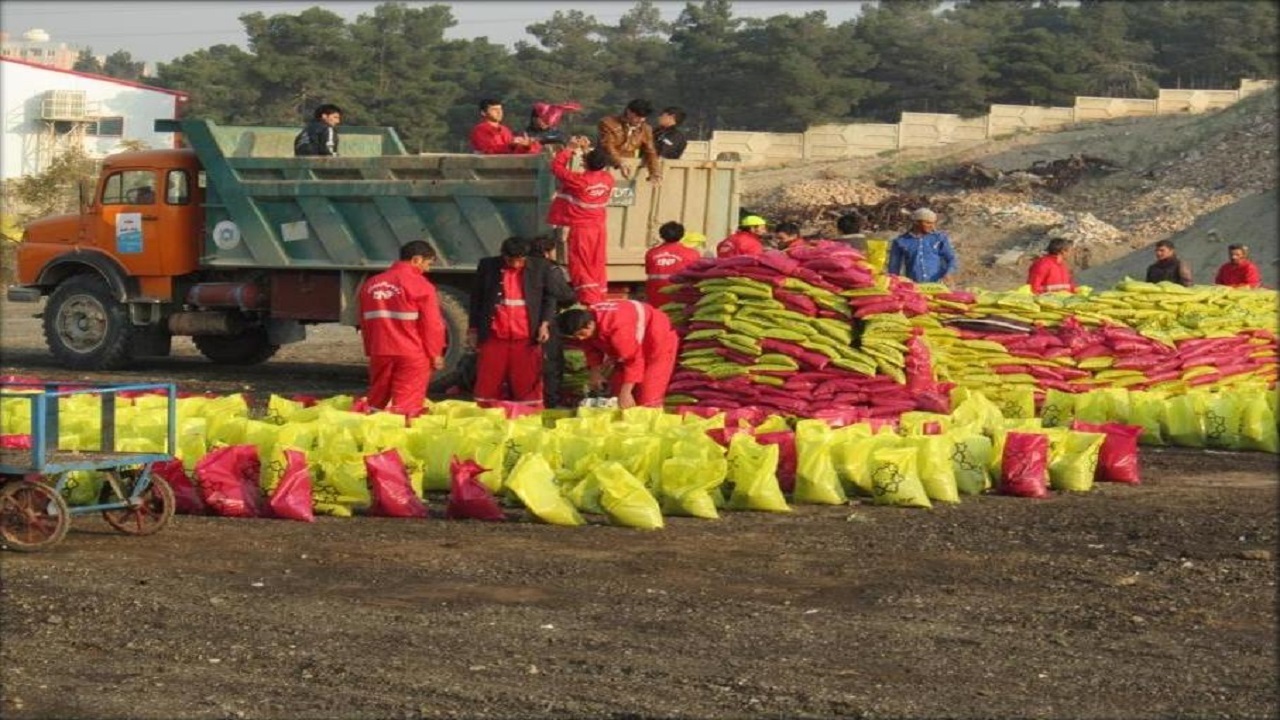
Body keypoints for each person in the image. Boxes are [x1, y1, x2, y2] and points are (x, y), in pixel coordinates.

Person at [466, 236, 562, 411]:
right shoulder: (488, 266)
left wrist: (545, 323)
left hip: (526, 336)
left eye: (520, 260)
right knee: (488, 379)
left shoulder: (541, 267)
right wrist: (473, 329)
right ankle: (484, 415)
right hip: (495, 336)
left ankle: (528, 418)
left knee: (526, 380)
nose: (516, 265)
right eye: (511, 260)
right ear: (503, 256)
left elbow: (550, 297)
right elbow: (476, 299)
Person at [357, 240, 445, 416]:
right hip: (411, 352)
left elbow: (365, 322)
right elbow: (432, 324)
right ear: (416, 259)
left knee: (376, 400)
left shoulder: (371, 284)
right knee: (407, 405)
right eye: (428, 263)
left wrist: (371, 349)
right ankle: (400, 437)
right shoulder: (421, 285)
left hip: (380, 351)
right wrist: (435, 353)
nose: (428, 269)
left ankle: (373, 435)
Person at [558, 300, 678, 409]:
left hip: (657, 343)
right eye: (575, 336)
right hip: (629, 347)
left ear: (590, 324)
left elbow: (633, 359)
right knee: (616, 396)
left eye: (581, 334)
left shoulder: (617, 328)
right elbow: (591, 349)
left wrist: (626, 392)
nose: (580, 338)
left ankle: (652, 426)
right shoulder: (584, 321)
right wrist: (595, 373)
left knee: (647, 397)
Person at [548, 136, 616, 305]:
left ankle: (589, 300)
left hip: (582, 230)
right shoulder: (607, 179)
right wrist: (587, 151)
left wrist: (569, 149)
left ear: (585, 163)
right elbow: (596, 164)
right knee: (597, 264)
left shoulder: (580, 181)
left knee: (580, 264)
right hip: (599, 229)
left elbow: (556, 167)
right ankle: (599, 298)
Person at [531, 235, 578, 408]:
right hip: (546, 321)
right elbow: (563, 295)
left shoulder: (523, 267)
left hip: (522, 322)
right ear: (548, 252)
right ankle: (550, 401)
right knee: (551, 362)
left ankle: (527, 398)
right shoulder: (550, 269)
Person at [597, 98, 662, 183]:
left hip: (629, 167)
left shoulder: (646, 129)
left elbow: (650, 151)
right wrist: (620, 162)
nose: (641, 120)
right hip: (604, 165)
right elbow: (608, 145)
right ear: (629, 112)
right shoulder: (608, 123)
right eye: (638, 116)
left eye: (644, 117)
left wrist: (655, 172)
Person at [887, 208, 957, 283]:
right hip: (915, 287)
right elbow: (893, 269)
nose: (932, 226)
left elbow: (951, 259)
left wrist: (949, 273)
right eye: (928, 223)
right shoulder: (900, 241)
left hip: (938, 285)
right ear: (916, 222)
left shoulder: (939, 238)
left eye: (933, 223)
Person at [644, 221, 702, 305]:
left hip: (655, 295)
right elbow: (697, 276)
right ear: (682, 235)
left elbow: (648, 272)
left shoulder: (651, 253)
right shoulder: (692, 253)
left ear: (661, 235)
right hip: (680, 296)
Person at [469, 98, 540, 155]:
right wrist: (511, 145)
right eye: (494, 110)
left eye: (500, 109)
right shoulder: (480, 129)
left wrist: (526, 145)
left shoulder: (505, 130)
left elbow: (513, 151)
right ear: (483, 113)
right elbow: (488, 150)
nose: (499, 112)